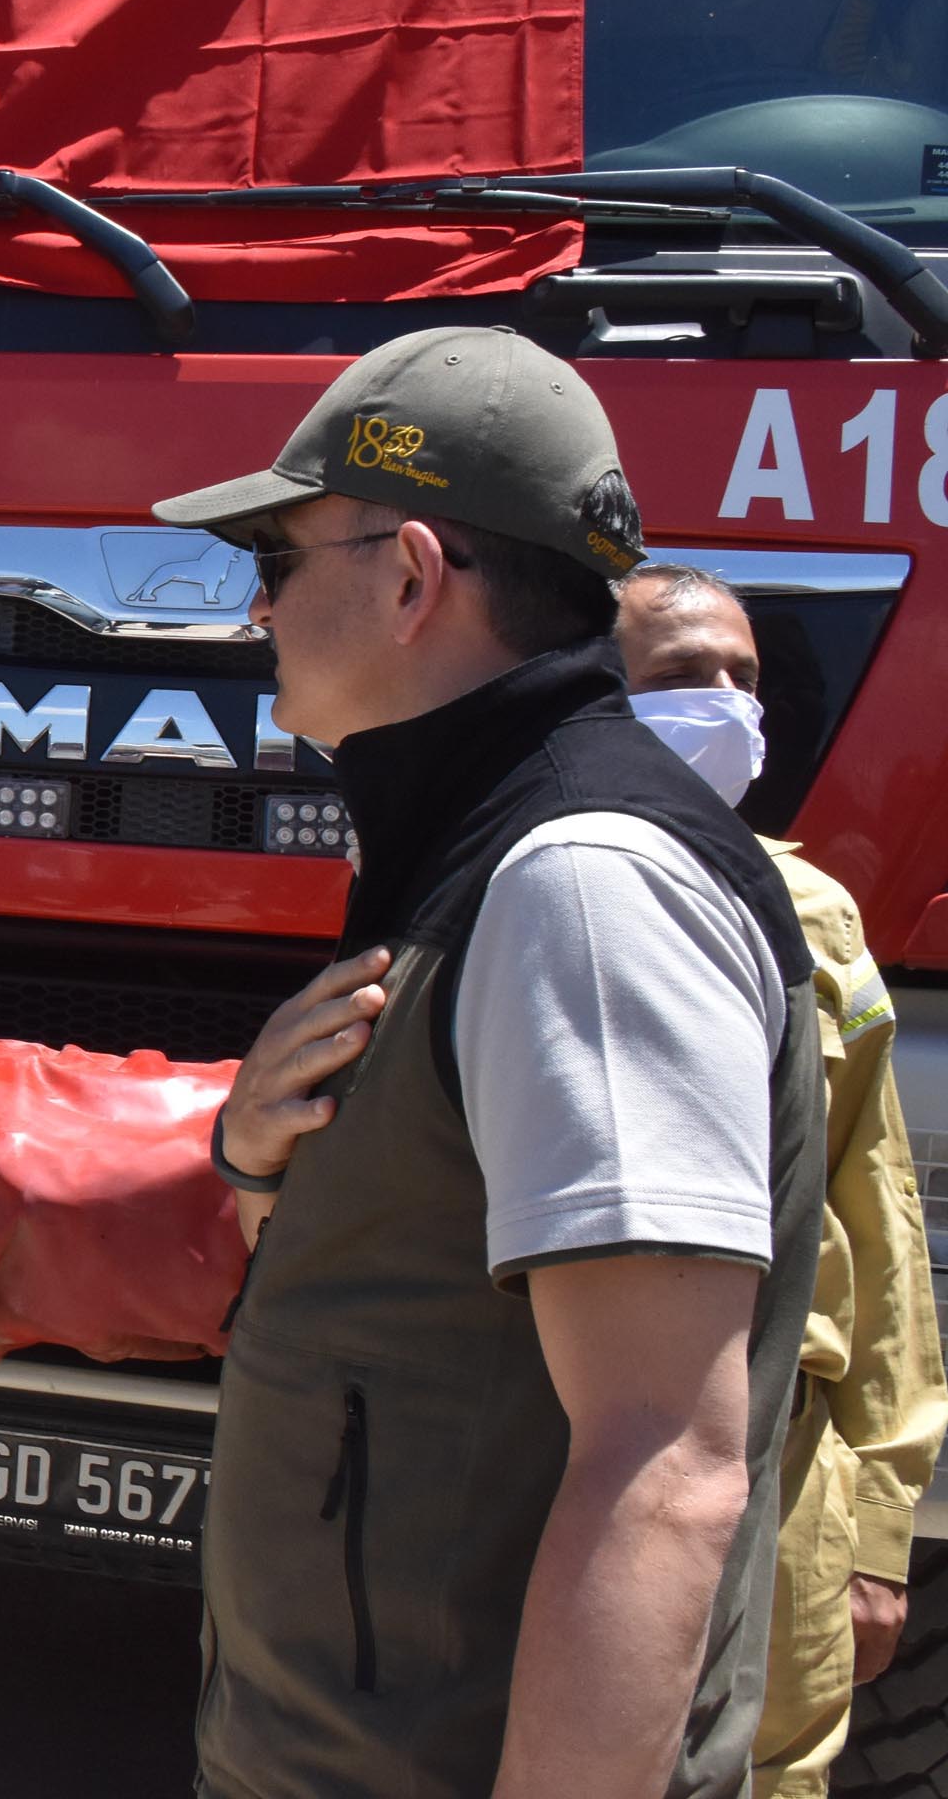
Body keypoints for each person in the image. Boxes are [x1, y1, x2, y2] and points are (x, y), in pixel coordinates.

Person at [157, 326, 825, 1799]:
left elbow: (666, 1465)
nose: (251, 610)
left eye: (274, 563)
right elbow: (427, 1312)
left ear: (409, 575)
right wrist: (264, 1163)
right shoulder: (476, 857)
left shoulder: (582, 888)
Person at [617, 562, 946, 1798]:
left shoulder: (817, 922)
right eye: (678, 678)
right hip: (557, 1467)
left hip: (784, 1484)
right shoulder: (499, 886)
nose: (723, 705)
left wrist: (876, 1530)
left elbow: (882, 1222)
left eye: (742, 679)